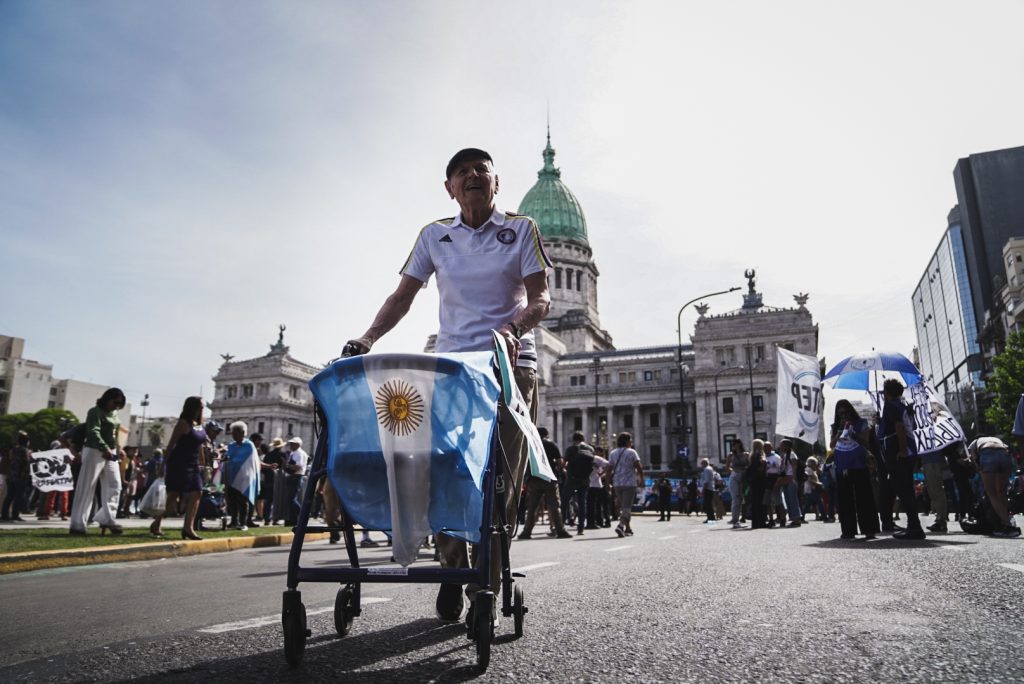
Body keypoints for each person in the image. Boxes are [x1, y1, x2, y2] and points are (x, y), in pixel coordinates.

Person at [341, 147, 552, 626]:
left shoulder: (521, 228)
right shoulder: (434, 236)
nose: (472, 176)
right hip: (453, 370)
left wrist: (514, 329)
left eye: (482, 170)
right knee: (447, 473)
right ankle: (452, 569)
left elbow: (540, 297)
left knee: (500, 480)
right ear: (450, 187)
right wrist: (367, 337)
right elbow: (402, 297)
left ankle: (484, 585)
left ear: (496, 183)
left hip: (508, 366)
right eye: (462, 171)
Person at [68, 388, 127, 536]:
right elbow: (93, 431)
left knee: (115, 485)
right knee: (87, 487)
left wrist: (119, 448)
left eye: (120, 404)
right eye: (115, 402)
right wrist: (104, 447)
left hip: (111, 451)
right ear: (107, 399)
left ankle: (107, 518)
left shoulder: (115, 414)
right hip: (94, 450)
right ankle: (77, 524)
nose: (117, 406)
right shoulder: (94, 412)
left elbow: (115, 434)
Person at [151, 397, 209, 540]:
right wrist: (163, 465)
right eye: (200, 406)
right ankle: (156, 522)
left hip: (194, 464)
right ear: (192, 407)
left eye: (203, 407)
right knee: (174, 495)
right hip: (179, 463)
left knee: (197, 492)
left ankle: (188, 527)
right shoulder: (183, 424)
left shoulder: (200, 425)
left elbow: (200, 444)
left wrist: (203, 462)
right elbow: (171, 445)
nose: (202, 409)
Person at [879, 380, 926, 540]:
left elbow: (899, 427)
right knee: (906, 489)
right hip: (908, 448)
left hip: (898, 450)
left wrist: (902, 449)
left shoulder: (890, 405)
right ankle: (914, 525)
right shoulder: (902, 405)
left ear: (888, 392)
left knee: (904, 489)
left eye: (884, 391)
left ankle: (914, 527)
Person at [829, 400, 880, 541]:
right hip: (842, 465)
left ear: (851, 411)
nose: (844, 416)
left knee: (864, 497)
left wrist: (853, 432)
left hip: (859, 464)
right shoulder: (835, 427)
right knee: (845, 499)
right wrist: (840, 431)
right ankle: (848, 530)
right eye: (840, 414)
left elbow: (866, 442)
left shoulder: (861, 423)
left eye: (846, 412)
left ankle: (869, 529)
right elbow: (831, 445)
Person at [518, 427, 572, 540]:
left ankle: (526, 532)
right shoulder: (551, 444)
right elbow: (560, 462)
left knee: (532, 507)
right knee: (554, 506)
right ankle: (560, 530)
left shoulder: (530, 444)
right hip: (549, 478)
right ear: (547, 434)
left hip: (534, 479)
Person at [967, 437, 1021, 537]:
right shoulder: (997, 439)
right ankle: (1006, 520)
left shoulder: (975, 442)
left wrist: (978, 467)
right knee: (1001, 492)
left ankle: (1007, 526)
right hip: (1004, 455)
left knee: (992, 494)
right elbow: (1007, 449)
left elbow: (973, 456)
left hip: (988, 454)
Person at [224, 422, 261, 531]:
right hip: (232, 477)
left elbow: (248, 460)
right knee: (232, 501)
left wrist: (231, 459)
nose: (233, 435)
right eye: (232, 433)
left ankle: (243, 522)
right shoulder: (231, 445)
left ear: (243, 433)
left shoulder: (249, 445)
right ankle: (234, 521)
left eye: (235, 433)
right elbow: (229, 457)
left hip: (245, 478)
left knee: (243, 501)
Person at [607, 432, 643, 537]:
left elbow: (609, 470)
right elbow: (638, 466)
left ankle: (628, 528)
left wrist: (607, 484)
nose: (631, 442)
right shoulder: (632, 452)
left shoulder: (613, 453)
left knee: (624, 507)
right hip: (629, 484)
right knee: (627, 507)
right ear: (627, 441)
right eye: (630, 440)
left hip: (617, 484)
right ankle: (621, 525)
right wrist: (642, 478)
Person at [563, 432, 597, 536]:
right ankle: (581, 527)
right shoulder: (590, 449)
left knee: (565, 500)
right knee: (582, 503)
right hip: (585, 479)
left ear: (574, 439)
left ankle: (561, 525)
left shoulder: (571, 449)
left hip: (571, 479)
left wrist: (565, 470)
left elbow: (563, 463)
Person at [1, 431, 32, 522]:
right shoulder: (24, 450)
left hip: (11, 475)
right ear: (26, 442)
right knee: (19, 496)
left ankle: (4, 514)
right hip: (20, 476)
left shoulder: (13, 449)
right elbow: (26, 463)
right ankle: (15, 515)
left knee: (9, 496)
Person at [283, 437, 309, 526]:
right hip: (293, 476)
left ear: (298, 444)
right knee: (290, 499)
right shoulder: (295, 453)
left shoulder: (299, 454)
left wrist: (287, 465)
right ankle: (293, 520)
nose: (291, 445)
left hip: (296, 476)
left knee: (291, 499)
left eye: (293, 443)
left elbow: (298, 466)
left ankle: (303, 514)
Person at [778, 439, 802, 527]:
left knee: (793, 500)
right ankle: (793, 518)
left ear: (787, 446)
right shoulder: (785, 455)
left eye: (782, 445)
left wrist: (794, 479)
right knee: (788, 499)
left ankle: (797, 518)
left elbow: (794, 467)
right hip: (786, 480)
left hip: (791, 479)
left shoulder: (792, 455)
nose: (780, 447)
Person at [725, 439, 749, 528]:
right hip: (734, 477)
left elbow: (749, 466)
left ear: (739, 444)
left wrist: (744, 471)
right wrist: (734, 471)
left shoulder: (746, 454)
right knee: (736, 498)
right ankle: (735, 519)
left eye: (734, 444)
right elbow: (727, 468)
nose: (733, 445)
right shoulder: (731, 455)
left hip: (744, 478)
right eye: (732, 444)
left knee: (742, 499)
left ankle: (741, 518)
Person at [747, 439, 768, 528]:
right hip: (760, 480)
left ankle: (756, 522)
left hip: (753, 481)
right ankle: (761, 521)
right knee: (760, 501)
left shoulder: (751, 455)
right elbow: (760, 468)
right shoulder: (759, 455)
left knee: (755, 501)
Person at [698, 459, 717, 523]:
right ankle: (711, 518)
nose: (701, 465)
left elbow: (706, 481)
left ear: (704, 463)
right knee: (709, 504)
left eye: (702, 463)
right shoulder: (710, 468)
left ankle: (710, 518)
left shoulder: (706, 469)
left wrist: (703, 490)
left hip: (707, 489)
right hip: (711, 488)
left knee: (708, 504)